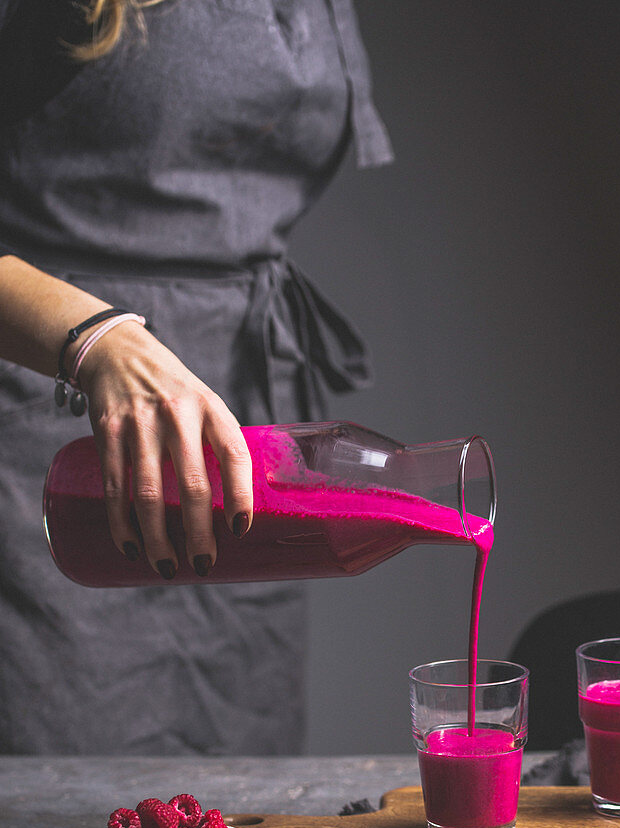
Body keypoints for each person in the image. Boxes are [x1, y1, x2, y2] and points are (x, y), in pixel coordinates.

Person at [0, 0, 392, 754]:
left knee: (233, 809)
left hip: (239, 436)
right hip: (49, 432)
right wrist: (92, 338)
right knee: (54, 817)